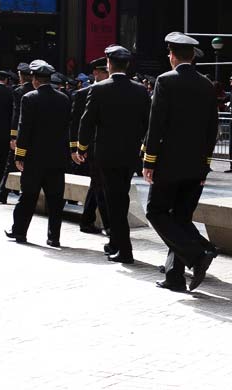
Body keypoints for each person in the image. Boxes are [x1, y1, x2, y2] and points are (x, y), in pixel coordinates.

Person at [140, 32, 219, 291]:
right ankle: (174, 276)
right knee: (180, 218)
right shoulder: (207, 84)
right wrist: (205, 164)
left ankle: (197, 254)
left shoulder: (165, 81)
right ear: (192, 57)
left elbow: (156, 125)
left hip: (168, 164)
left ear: (173, 55)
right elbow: (212, 129)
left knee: (157, 212)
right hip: (195, 166)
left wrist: (148, 160)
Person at [76, 44, 151, 263]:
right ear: (127, 65)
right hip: (129, 155)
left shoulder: (98, 89)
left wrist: (81, 148)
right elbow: (147, 124)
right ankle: (117, 244)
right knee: (121, 199)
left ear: (108, 64)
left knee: (114, 202)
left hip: (106, 155)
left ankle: (124, 251)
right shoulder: (140, 90)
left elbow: (86, 122)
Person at [4, 60, 70, 247]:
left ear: (34, 79)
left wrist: (20, 155)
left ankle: (20, 232)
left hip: (34, 158)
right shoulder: (63, 98)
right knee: (56, 200)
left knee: (28, 196)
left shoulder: (29, 98)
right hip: (57, 158)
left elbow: (24, 128)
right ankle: (53, 237)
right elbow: (67, 127)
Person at [71, 57, 110, 235]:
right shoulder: (82, 93)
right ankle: (109, 225)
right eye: (105, 72)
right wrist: (76, 148)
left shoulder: (112, 90)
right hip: (91, 149)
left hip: (107, 147)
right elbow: (76, 124)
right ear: (96, 73)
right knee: (100, 186)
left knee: (97, 185)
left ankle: (86, 221)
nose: (108, 74)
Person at [0, 63, 35, 203]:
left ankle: (3, 193)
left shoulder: (19, 91)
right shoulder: (35, 89)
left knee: (11, 163)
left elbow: (16, 115)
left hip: (22, 133)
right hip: (36, 134)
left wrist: (13, 136)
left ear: (21, 75)